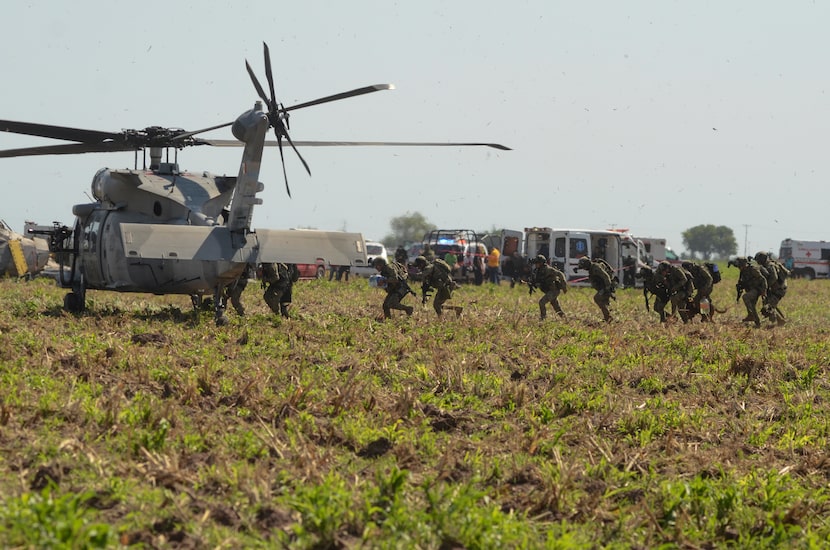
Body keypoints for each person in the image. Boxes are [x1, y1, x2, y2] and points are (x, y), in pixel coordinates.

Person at [754, 251, 788, 326]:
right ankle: (781, 320)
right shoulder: (767, 266)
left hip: (779, 290)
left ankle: (779, 322)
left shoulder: (770, 266)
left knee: (768, 307)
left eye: (758, 260)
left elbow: (774, 278)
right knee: (770, 305)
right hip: (776, 289)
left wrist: (766, 286)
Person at [732, 256, 767, 328]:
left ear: (743, 264)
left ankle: (751, 315)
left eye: (740, 266)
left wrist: (764, 291)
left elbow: (763, 279)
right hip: (750, 289)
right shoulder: (743, 271)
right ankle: (757, 323)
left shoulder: (753, 269)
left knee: (745, 297)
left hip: (757, 289)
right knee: (752, 306)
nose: (739, 268)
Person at [529, 255, 567, 320]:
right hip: (549, 290)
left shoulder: (548, 269)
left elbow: (560, 274)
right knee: (556, 306)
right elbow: (538, 281)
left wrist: (564, 287)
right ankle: (564, 318)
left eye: (537, 263)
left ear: (541, 263)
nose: (536, 265)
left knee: (541, 302)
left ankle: (543, 318)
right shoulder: (538, 271)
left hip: (554, 290)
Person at [577, 257, 615, 322]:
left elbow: (606, 276)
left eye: (583, 267)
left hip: (606, 286)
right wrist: (577, 269)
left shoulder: (596, 268)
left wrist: (608, 288)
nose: (583, 269)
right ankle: (608, 317)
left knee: (597, 298)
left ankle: (608, 317)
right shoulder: (591, 267)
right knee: (605, 302)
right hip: (603, 286)